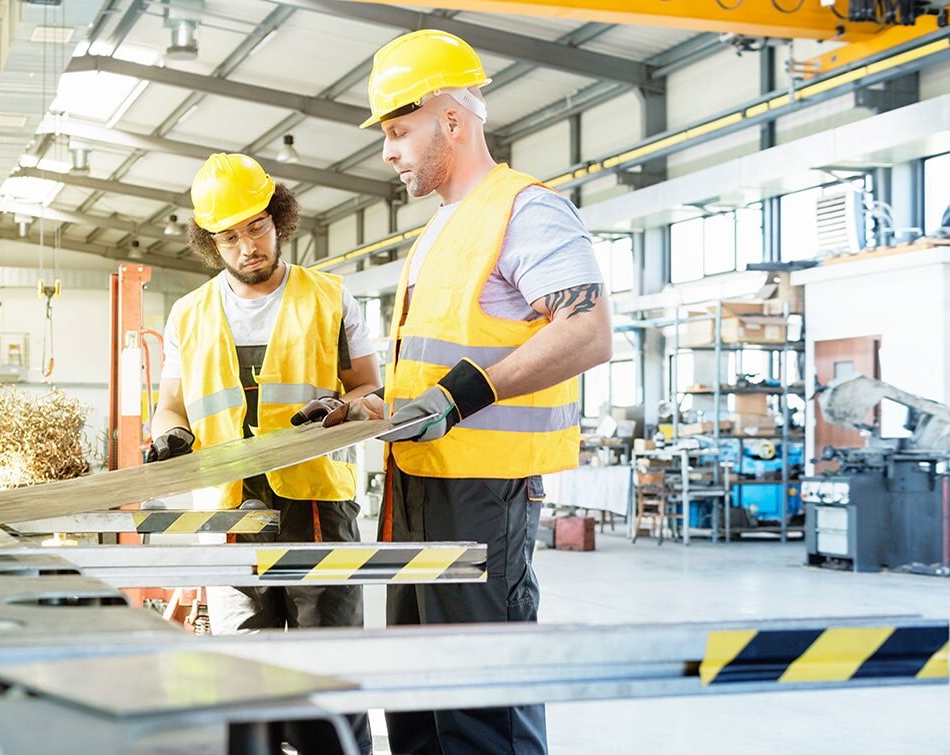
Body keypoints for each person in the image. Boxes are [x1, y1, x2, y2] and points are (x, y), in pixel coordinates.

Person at [336, 29, 613, 755]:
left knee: (481, 702)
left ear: (452, 121)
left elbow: (587, 332)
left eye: (399, 131)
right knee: (418, 701)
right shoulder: (435, 233)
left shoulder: (524, 209)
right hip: (415, 490)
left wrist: (459, 397)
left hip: (483, 497)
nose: (388, 152)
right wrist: (369, 406)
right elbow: (433, 366)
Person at [146, 152, 380, 755]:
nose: (247, 245)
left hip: (318, 504)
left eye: (256, 226)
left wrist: (344, 406)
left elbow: (370, 388)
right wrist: (168, 434)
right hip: (227, 511)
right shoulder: (188, 314)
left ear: (278, 218)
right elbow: (170, 404)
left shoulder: (331, 298)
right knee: (240, 666)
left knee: (322, 666)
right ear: (210, 242)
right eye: (229, 236)